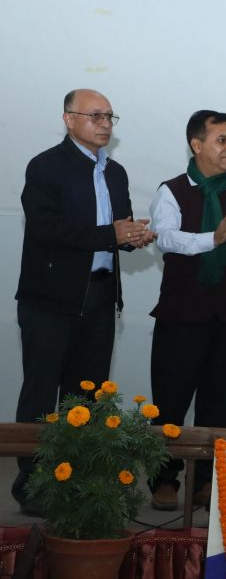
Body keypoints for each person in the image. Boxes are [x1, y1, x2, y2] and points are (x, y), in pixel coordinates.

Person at [12, 89, 153, 517]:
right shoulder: (45, 166)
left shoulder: (116, 173)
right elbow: (47, 229)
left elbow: (115, 231)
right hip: (50, 301)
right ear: (69, 119)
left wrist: (133, 237)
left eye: (110, 116)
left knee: (87, 398)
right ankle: (33, 485)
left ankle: (78, 483)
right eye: (96, 116)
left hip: (99, 298)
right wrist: (111, 234)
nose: (105, 123)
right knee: (41, 397)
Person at [148, 110, 226, 510]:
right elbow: (165, 238)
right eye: (221, 140)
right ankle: (164, 480)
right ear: (196, 144)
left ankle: (207, 481)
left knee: (219, 408)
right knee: (170, 404)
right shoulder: (172, 190)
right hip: (181, 315)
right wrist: (211, 239)